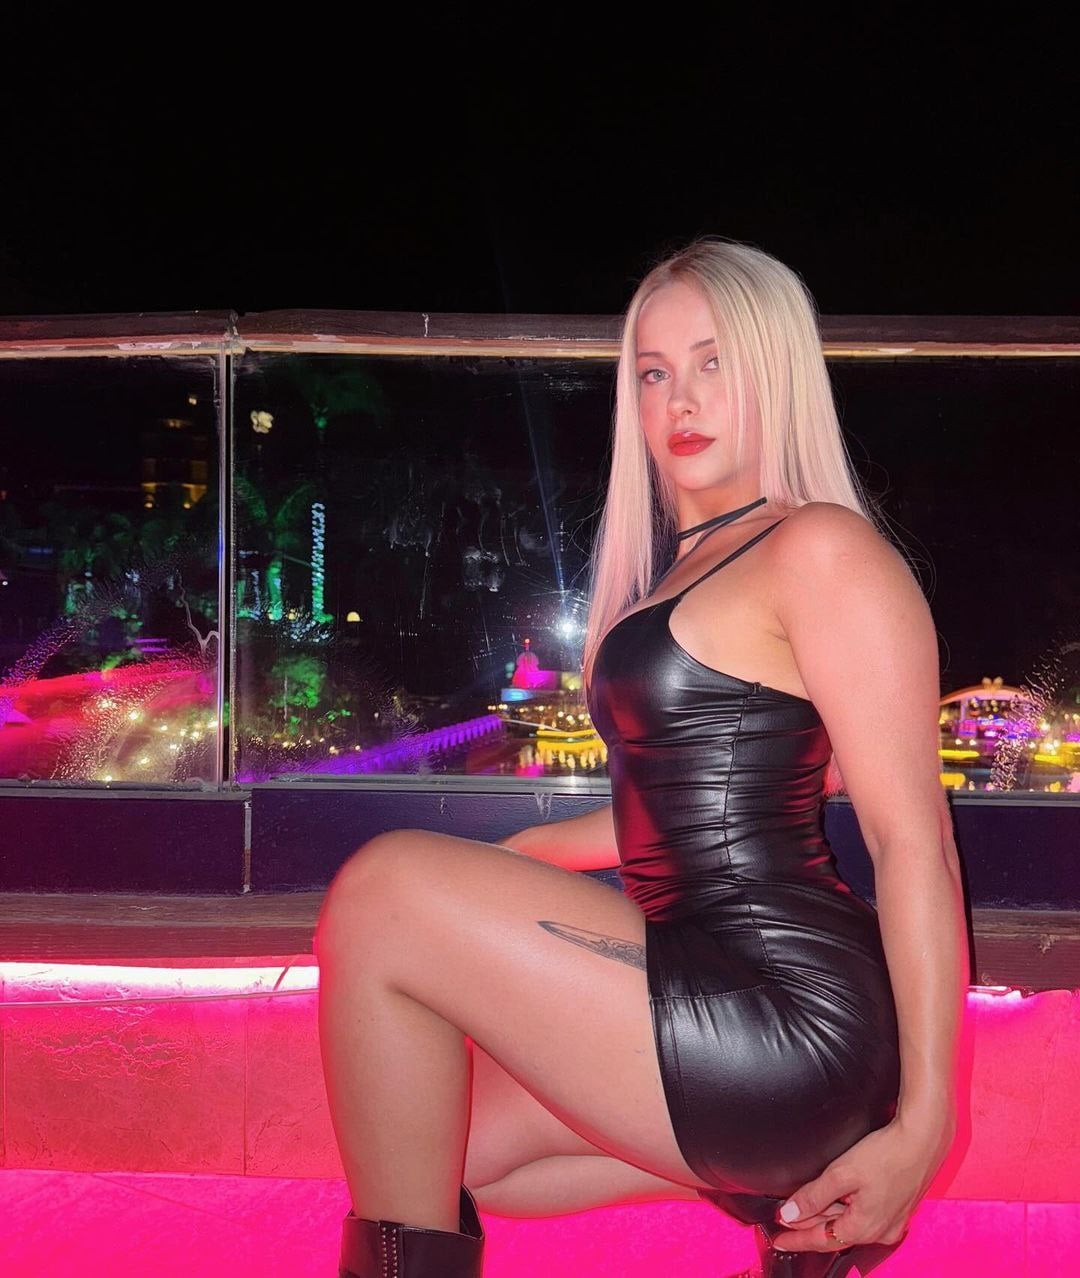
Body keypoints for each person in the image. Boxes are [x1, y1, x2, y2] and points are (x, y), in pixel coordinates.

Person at [315, 238, 968, 1278]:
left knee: (382, 888)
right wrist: (526, 856)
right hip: (705, 976)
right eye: (655, 374)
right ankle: (774, 1181)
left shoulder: (821, 549)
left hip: (791, 1010)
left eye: (713, 363)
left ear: (776, 371)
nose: (681, 401)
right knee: (444, 1151)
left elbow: (913, 843)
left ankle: (798, 1144)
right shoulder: (691, 564)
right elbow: (701, 796)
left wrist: (926, 1125)